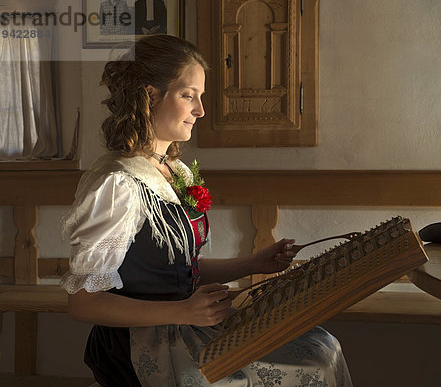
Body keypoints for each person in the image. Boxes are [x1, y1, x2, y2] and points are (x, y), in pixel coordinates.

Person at [60, 35, 353, 386]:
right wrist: (182, 311)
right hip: (142, 342)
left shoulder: (175, 172)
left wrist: (253, 263)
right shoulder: (116, 184)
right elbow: (83, 304)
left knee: (320, 346)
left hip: (186, 323)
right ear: (150, 95)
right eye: (189, 96)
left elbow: (178, 271)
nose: (201, 110)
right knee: (306, 367)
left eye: (201, 97)